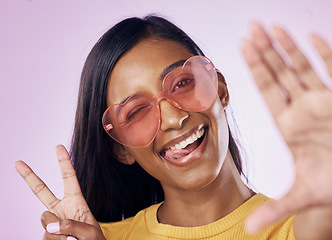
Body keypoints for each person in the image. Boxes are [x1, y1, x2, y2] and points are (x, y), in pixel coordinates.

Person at [15, 15, 332, 239]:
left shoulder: (307, 227)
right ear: (120, 147)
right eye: (137, 111)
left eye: (182, 83)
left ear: (219, 90)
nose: (172, 118)